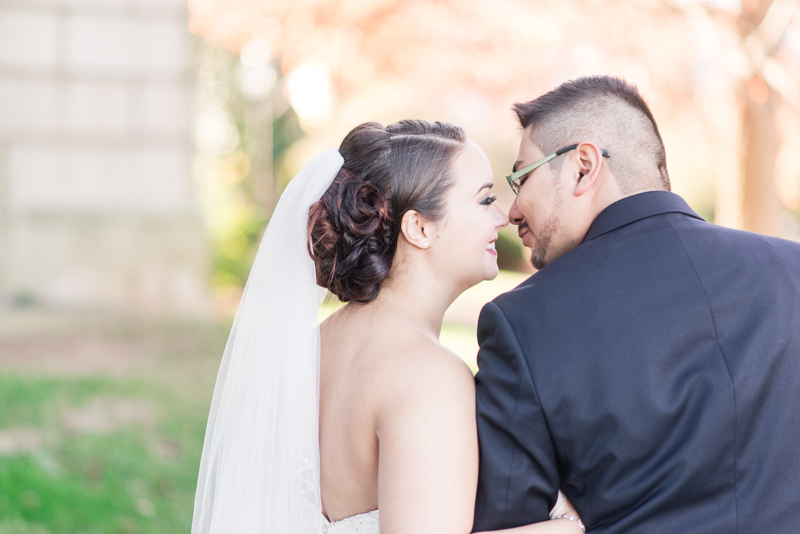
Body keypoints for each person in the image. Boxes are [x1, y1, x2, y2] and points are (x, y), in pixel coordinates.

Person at [192, 120, 585, 534]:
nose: (504, 216)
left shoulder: (308, 349)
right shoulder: (430, 377)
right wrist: (569, 525)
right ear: (419, 228)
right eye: (485, 199)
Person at [473, 75, 800, 534]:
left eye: (521, 176)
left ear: (583, 166)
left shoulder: (523, 321)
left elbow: (508, 522)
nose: (512, 209)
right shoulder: (793, 271)